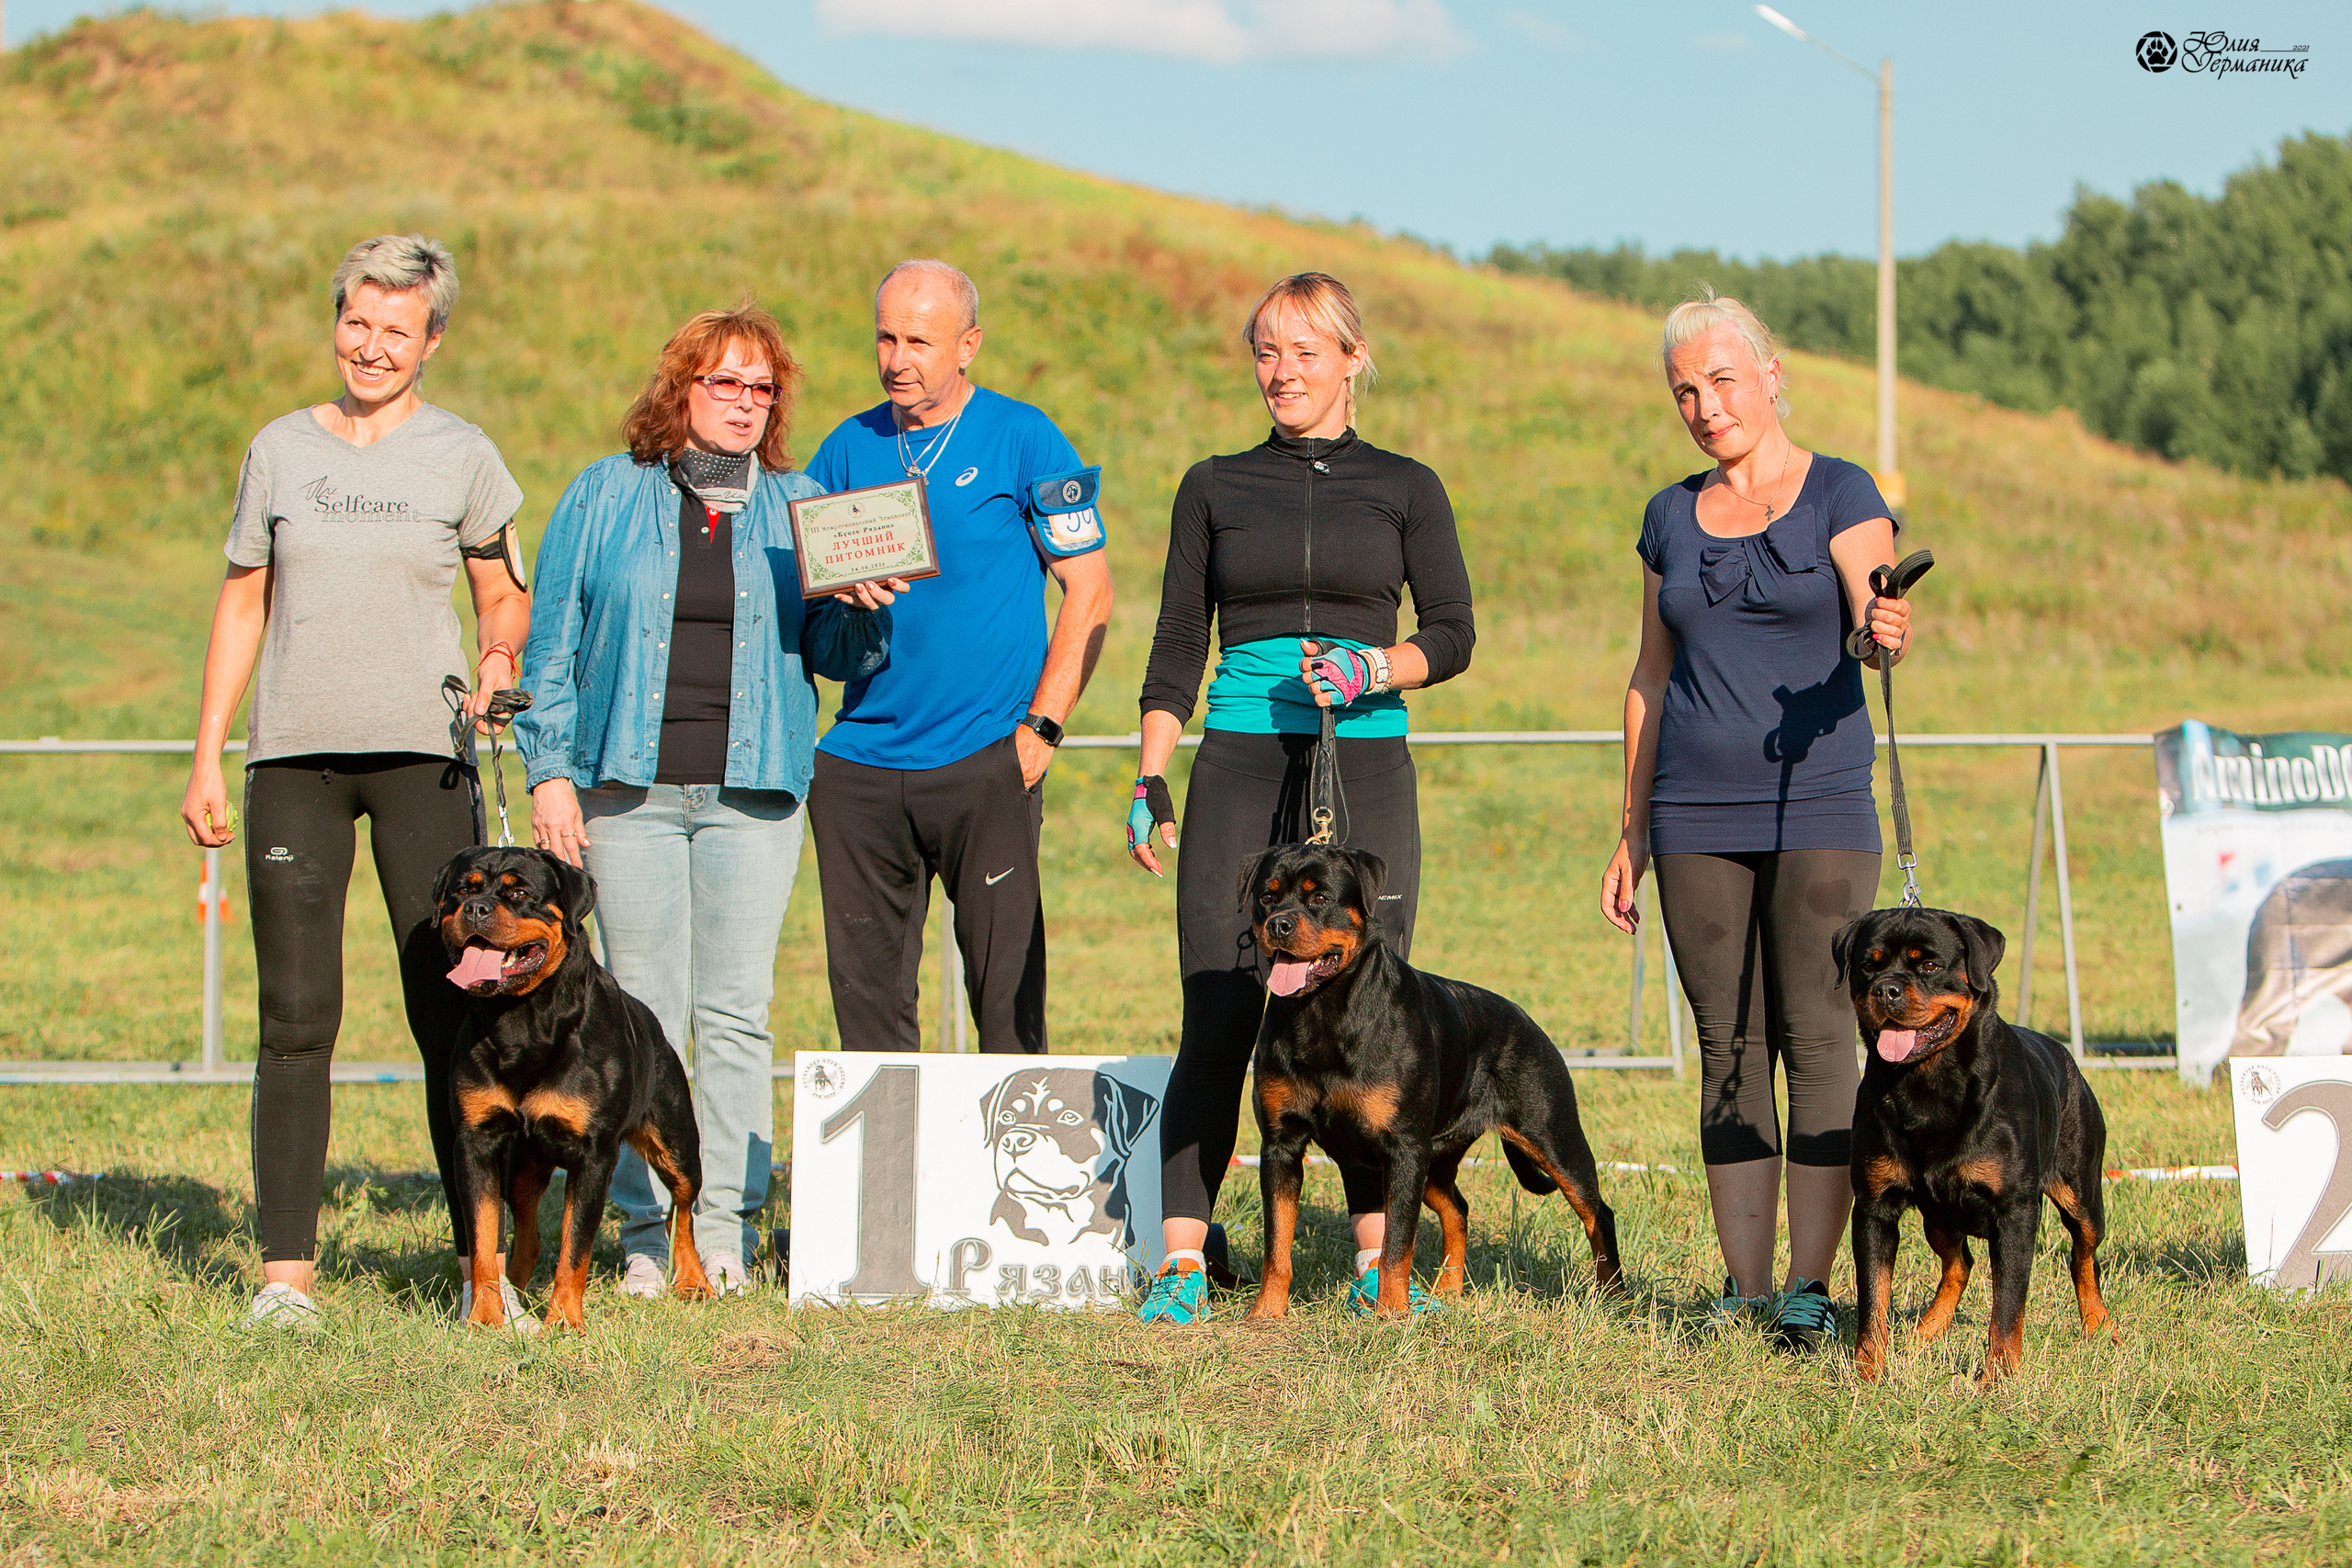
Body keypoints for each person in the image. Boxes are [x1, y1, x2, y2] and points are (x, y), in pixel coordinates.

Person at [178, 233, 532, 1329]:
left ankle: (486, 1278)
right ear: (337, 323)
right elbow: (243, 603)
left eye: (396, 328)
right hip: (294, 764)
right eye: (356, 322)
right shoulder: (279, 450)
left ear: (432, 340)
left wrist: (498, 662)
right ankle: (285, 1280)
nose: (371, 346)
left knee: (454, 1016)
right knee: (296, 1019)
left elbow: (503, 594)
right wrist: (207, 750)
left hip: (425, 762)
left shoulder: (464, 456)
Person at [516, 303, 899, 1298]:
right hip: (624, 790)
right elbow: (550, 645)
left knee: (734, 1013)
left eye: (761, 387)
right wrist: (548, 771)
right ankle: (645, 1237)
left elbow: (833, 660)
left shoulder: (803, 505)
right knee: (639, 1016)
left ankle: (719, 1229)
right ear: (682, 388)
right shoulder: (603, 495)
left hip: (753, 793)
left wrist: (862, 617)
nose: (743, 402)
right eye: (724, 382)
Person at [1126, 272, 1476, 1325]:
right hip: (1238, 756)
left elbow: (1453, 634)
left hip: (1364, 756)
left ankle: (1375, 1256)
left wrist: (1377, 670)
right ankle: (1182, 1263)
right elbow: (1177, 643)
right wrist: (1150, 773)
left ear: (1353, 358)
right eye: (1266, 353)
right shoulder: (1215, 484)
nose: (1282, 372)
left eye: (1304, 352)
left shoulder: (1407, 485)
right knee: (1219, 1008)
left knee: (1369, 1015)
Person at [1598, 293, 1914, 1352]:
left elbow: (1875, 611)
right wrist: (1630, 826)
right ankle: (1742, 1289)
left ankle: (1811, 1287)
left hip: (1819, 799)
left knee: (1820, 1038)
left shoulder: (1839, 489)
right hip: (1690, 809)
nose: (1704, 404)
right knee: (1726, 1045)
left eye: (1722, 379)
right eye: (1685, 389)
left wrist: (1882, 631)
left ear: (1771, 376)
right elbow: (1649, 674)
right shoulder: (1667, 515)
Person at [805, 259, 1114, 1054]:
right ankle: (893, 1180)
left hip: (987, 757)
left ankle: (1012, 1180)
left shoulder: (1024, 438)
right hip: (861, 765)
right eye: (885, 336)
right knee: (869, 1015)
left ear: (967, 344)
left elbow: (1091, 592)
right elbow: (811, 623)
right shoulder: (844, 449)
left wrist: (1042, 728)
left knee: (1008, 1006)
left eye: (918, 339)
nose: (896, 357)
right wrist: (840, 601)